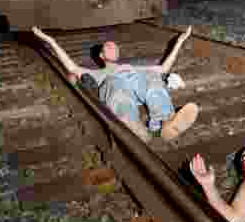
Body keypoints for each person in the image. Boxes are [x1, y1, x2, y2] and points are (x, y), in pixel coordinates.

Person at [31, 26, 199, 142]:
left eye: (114, 46)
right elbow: (71, 67)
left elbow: (163, 68)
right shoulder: (97, 73)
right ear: (101, 56)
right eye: (108, 46)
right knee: (114, 85)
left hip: (136, 81)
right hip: (116, 89)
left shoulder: (131, 67)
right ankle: (133, 125)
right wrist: (51, 41)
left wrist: (180, 42)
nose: (112, 45)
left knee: (152, 79)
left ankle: (166, 121)